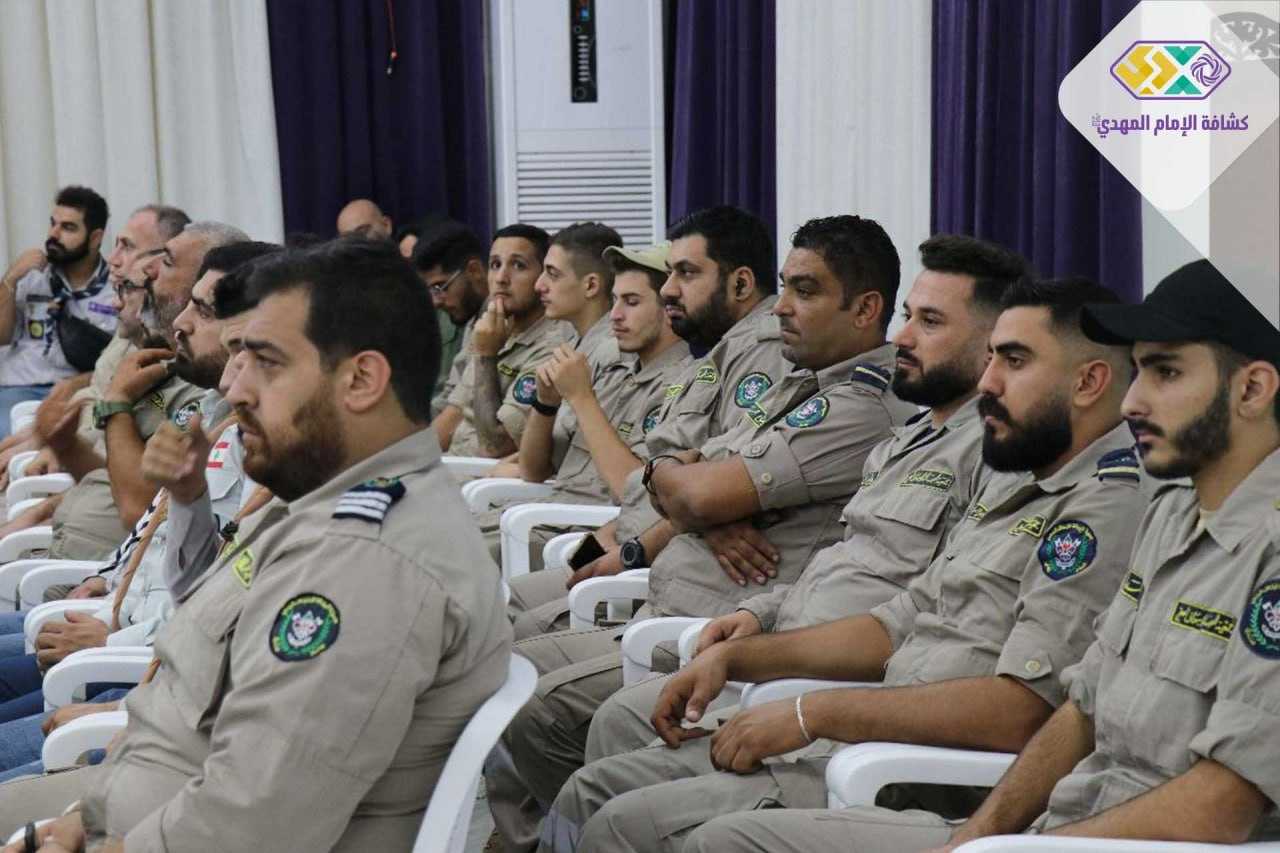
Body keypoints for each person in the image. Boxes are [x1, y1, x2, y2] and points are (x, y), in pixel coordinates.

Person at [562, 278, 1148, 853]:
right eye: (992, 357)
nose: (988, 381)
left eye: (1013, 361)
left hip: (925, 776)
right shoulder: (1017, 480)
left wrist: (813, 713)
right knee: (600, 793)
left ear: (1089, 381)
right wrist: (739, 657)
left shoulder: (1104, 507)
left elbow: (1023, 709)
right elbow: (898, 620)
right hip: (865, 734)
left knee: (650, 829)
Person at [0, 238, 512, 851]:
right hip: (127, 804)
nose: (236, 388)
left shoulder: (366, 564)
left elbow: (252, 822)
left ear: (361, 380)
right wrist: (79, 820)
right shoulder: (316, 504)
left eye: (266, 361)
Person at [486, 214, 918, 851]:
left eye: (803, 290)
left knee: (540, 691)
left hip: (700, 608)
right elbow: (675, 476)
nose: (782, 306)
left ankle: (537, 838)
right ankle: (536, 834)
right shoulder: (782, 376)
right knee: (513, 648)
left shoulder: (842, 396)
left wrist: (688, 496)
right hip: (662, 582)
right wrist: (685, 500)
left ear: (865, 309)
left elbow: (682, 485)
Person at [568, 234, 1029, 780]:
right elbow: (835, 556)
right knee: (598, 737)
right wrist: (754, 611)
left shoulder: (957, 442)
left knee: (600, 769)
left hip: (828, 695)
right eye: (909, 316)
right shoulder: (903, 438)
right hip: (758, 638)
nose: (902, 336)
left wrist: (798, 699)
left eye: (929, 322)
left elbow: (915, 613)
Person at [905, 261, 1280, 853]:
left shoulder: (1270, 551)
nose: (1131, 402)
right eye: (1139, 371)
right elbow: (1082, 708)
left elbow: (1222, 807)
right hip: (1054, 833)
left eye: (1165, 372)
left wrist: (1012, 851)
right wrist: (977, 836)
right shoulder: (1172, 513)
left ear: (1252, 390)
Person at [0, 242, 278, 772]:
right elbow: (152, 515)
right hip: (111, 603)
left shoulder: (175, 390)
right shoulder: (162, 378)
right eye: (129, 283)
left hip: (134, 655)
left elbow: (134, 498)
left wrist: (116, 405)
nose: (128, 286)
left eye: (149, 281)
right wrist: (106, 574)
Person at [503, 206, 788, 643]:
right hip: (625, 542)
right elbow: (648, 492)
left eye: (685, 274)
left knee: (517, 626)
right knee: (511, 601)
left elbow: (686, 491)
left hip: (663, 571)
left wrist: (633, 548)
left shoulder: (757, 355)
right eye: (670, 274)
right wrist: (599, 549)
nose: (671, 290)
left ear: (741, 283)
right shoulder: (712, 359)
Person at [0, 223, 246, 563]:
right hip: (83, 560)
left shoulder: (204, 385)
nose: (147, 270)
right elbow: (113, 478)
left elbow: (139, 507)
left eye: (167, 262)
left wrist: (116, 404)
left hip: (88, 568)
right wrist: (65, 445)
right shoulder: (161, 365)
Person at [480, 241, 690, 595]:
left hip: (583, 527)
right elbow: (534, 470)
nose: (615, 316)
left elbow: (634, 492)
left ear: (669, 310)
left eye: (632, 302)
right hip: (549, 512)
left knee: (459, 566)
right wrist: (546, 404)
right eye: (615, 301)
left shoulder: (680, 382)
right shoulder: (617, 369)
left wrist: (581, 397)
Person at [437, 224, 572, 457]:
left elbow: (496, 445)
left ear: (544, 278)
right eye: (495, 265)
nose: (501, 278)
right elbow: (452, 416)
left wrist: (486, 356)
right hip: (452, 467)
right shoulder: (493, 329)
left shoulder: (553, 347)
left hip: (485, 476)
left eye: (518, 265)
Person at [0, 187, 115, 434]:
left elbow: (124, 359)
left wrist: (80, 383)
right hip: (18, 388)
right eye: (53, 224)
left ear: (95, 238)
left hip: (80, 392)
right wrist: (10, 278)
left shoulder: (116, 289)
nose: (53, 234)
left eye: (68, 228)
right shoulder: (31, 275)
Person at [413, 221, 492, 414]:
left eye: (440, 287)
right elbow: (449, 396)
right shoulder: (473, 319)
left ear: (474, 270)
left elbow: (458, 410)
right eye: (430, 290)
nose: (435, 302)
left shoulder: (501, 322)